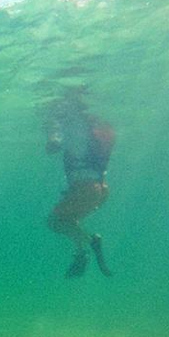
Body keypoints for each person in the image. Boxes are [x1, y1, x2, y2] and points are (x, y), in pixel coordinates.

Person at [45, 91, 115, 278]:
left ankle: (90, 241)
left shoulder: (66, 121)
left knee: (54, 221)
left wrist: (52, 134)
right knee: (68, 220)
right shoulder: (91, 123)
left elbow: (54, 143)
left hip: (85, 190)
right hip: (100, 189)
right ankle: (81, 251)